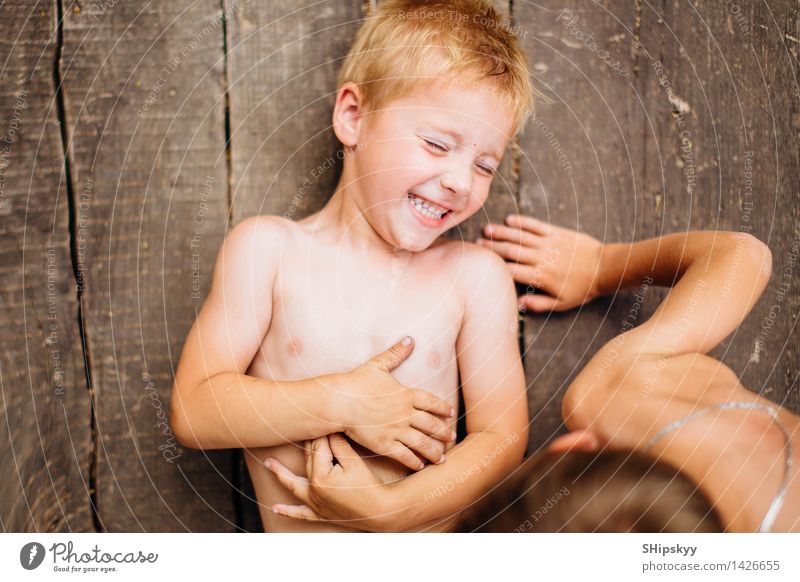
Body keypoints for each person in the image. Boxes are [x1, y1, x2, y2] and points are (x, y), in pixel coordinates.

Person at [171, 0, 535, 532]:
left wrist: (392, 510)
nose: (461, 181)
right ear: (353, 117)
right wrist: (344, 402)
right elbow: (193, 409)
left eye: (485, 165)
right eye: (437, 144)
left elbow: (501, 440)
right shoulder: (268, 253)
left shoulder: (473, 278)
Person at [271, 221, 798, 532]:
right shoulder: (627, 396)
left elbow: (744, 255)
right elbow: (741, 255)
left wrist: (392, 508)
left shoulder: (623, 397)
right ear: (574, 447)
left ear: (578, 447)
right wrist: (600, 265)